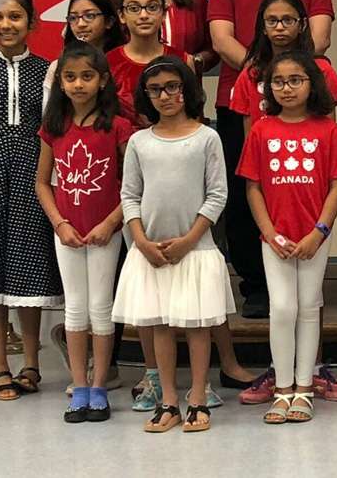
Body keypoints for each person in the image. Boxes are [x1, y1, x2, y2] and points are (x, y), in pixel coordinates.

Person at [210, 0, 334, 319]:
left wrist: (286, 75)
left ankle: (305, 274)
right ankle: (255, 284)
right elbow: (221, 38)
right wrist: (260, 71)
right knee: (247, 191)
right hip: (240, 97)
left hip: (302, 101)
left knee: (303, 185)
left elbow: (319, 37)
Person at [111, 56, 235, 433]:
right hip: (151, 252)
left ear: (186, 90)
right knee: (160, 324)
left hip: (194, 250)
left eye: (172, 87)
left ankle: (197, 396)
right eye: (155, 89)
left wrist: (189, 239)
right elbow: (129, 195)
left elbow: (217, 195)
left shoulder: (206, 137)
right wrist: (142, 241)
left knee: (197, 326)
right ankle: (168, 400)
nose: (165, 95)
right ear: (145, 96)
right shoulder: (138, 141)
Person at [238, 50, 337, 425]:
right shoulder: (261, 129)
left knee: (307, 306)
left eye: (295, 80)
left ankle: (303, 388)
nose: (286, 88)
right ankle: (282, 388)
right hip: (275, 238)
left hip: (314, 237)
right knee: (282, 308)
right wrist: (269, 233)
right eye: (278, 82)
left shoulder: (328, 129)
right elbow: (253, 187)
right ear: (268, 88)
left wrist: (319, 231)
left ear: (311, 84)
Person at [35, 43, 132, 422]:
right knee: (75, 309)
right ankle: (79, 385)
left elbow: (133, 185)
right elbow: (43, 183)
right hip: (69, 233)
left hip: (104, 232)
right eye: (70, 77)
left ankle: (100, 385)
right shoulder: (54, 127)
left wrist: (111, 222)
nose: (78, 84)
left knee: (101, 309)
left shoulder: (118, 127)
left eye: (87, 76)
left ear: (103, 80)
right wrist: (59, 222)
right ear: (59, 81)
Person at [0, 0, 61, 402]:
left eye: (15, 16)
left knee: (28, 265)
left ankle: (32, 362)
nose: (6, 24)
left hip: (31, 174)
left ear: (31, 22)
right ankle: (0, 364)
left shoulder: (47, 71)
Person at [231, 0, 337, 130]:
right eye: (272, 21)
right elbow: (250, 141)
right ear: (263, 27)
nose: (279, 27)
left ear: (302, 25)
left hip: (311, 149)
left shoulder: (321, 70)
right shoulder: (250, 75)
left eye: (288, 20)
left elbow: (330, 131)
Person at [106, 0, 192, 128]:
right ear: (121, 15)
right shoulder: (108, 62)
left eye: (152, 7)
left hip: (175, 143)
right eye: (134, 8)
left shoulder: (183, 60)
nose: (144, 15)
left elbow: (193, 113)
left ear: (164, 14)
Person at [43, 0, 126, 99]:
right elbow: (50, 110)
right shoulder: (58, 67)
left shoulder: (123, 63)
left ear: (109, 21)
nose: (81, 24)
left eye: (90, 16)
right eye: (73, 18)